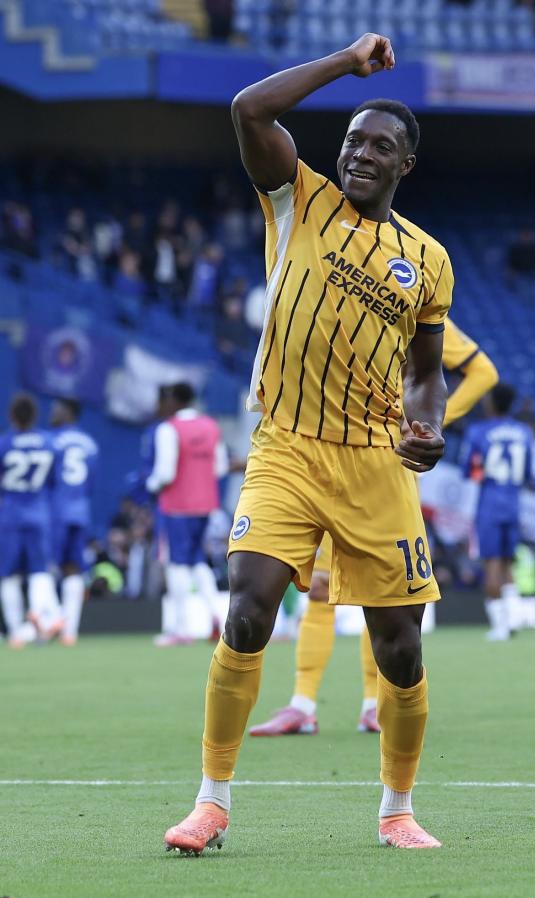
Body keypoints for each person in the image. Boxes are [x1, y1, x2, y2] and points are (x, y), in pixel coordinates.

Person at [164, 33, 452, 855]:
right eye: (354, 140)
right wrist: (342, 64)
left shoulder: (427, 260)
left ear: (405, 165)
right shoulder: (298, 199)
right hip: (285, 447)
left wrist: (429, 424)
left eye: (380, 146)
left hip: (375, 461)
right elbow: (249, 109)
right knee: (248, 607)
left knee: (400, 649)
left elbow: (426, 373)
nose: (361, 153)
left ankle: (397, 809)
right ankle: (211, 801)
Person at [249, 318, 498, 736]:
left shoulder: (413, 304)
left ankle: (372, 703)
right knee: (320, 588)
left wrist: (426, 426)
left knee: (382, 594)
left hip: (383, 465)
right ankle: (303, 704)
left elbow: (483, 372)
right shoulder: (336, 292)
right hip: (322, 458)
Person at [146, 382, 229, 646]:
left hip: (176, 506)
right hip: (206, 505)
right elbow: (220, 467)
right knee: (198, 562)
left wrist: (150, 484)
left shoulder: (169, 428)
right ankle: (217, 618)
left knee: (176, 564)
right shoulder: (211, 426)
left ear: (173, 400)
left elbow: (165, 473)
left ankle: (180, 629)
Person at [462, 383, 534, 641]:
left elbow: (469, 470)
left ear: (491, 402)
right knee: (507, 563)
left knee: (491, 564)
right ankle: (513, 618)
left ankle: (500, 626)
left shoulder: (478, 431)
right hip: (513, 505)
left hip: (490, 505)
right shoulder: (524, 432)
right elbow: (528, 473)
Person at [0, 394, 63, 648]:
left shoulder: (4, 443)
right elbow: (55, 482)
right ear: (36, 415)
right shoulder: (49, 443)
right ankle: (41, 615)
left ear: (11, 416)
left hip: (10, 515)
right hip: (39, 514)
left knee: (8, 574)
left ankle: (16, 630)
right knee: (39, 570)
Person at [50, 398, 99, 646]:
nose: (52, 412)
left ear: (68, 412)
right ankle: (70, 631)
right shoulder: (90, 444)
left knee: (46, 567)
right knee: (74, 568)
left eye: (56, 409)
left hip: (55, 510)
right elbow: (90, 483)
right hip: (80, 510)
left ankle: (49, 621)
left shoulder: (51, 441)